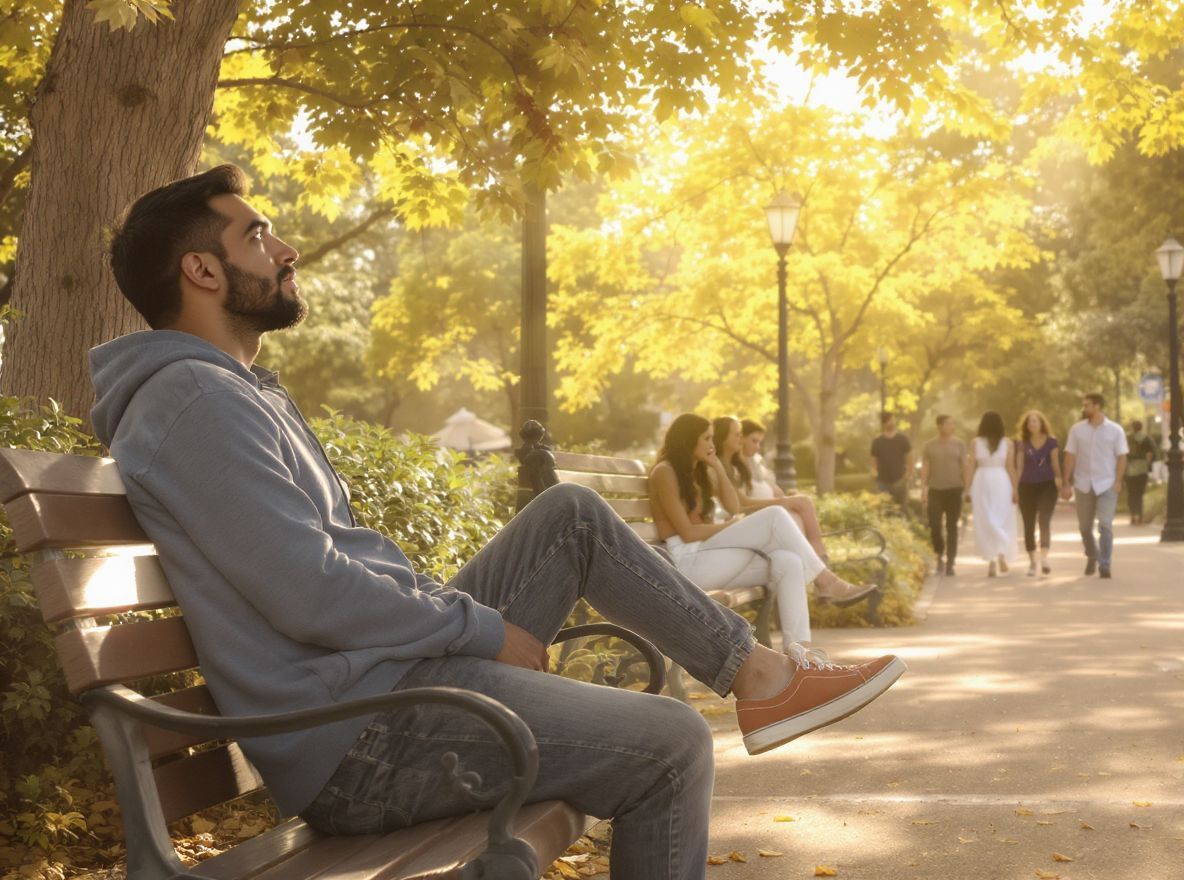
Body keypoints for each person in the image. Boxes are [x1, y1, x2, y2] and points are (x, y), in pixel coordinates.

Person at [89, 165, 905, 879]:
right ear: (200, 269)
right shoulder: (193, 402)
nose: (287, 249)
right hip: (356, 741)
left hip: (372, 691)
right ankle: (762, 682)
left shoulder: (229, 392)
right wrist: (476, 628)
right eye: (257, 235)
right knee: (671, 744)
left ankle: (759, 677)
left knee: (570, 518)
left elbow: (331, 575)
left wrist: (457, 626)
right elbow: (307, 592)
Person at [650, 415, 879, 651]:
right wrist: (731, 526)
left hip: (709, 555)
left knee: (789, 562)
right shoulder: (664, 472)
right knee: (775, 516)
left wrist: (717, 465)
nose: (712, 444)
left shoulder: (698, 471)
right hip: (688, 561)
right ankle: (826, 581)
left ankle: (801, 653)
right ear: (688, 440)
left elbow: (733, 507)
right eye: (706, 439)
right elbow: (687, 533)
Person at [713, 416, 828, 559]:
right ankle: (818, 560)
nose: (741, 439)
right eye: (737, 435)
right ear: (723, 437)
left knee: (798, 510)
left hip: (744, 521)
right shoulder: (718, 467)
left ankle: (817, 559)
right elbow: (741, 504)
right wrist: (783, 502)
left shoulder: (735, 465)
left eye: (742, 435)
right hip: (733, 526)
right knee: (794, 509)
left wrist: (784, 499)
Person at [1062, 394, 1128, 578]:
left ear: (1097, 406)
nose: (1084, 408)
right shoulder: (1077, 430)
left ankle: (1104, 564)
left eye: (1087, 405)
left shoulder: (1115, 430)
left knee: (1105, 525)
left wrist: (1118, 481)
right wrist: (1066, 482)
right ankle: (1092, 554)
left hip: (1107, 483)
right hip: (1083, 483)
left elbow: (1122, 457)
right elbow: (1070, 456)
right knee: (1084, 527)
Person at [965, 411, 1018, 577]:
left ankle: (992, 561)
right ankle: (1001, 553)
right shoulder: (1008, 443)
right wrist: (1015, 489)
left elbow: (970, 466)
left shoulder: (975, 442)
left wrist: (967, 488)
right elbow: (1011, 467)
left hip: (982, 480)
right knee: (1002, 518)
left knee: (985, 519)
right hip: (1001, 480)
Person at [1014, 410, 1062, 577]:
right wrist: (1015, 489)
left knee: (1044, 520)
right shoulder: (1021, 443)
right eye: (1030, 422)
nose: (1032, 424)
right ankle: (1032, 561)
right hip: (1026, 487)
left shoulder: (1051, 442)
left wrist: (1061, 480)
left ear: (1042, 423)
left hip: (1047, 486)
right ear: (1026, 426)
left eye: (1035, 421)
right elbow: (1019, 468)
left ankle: (1045, 558)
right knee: (1028, 524)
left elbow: (1055, 464)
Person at [918, 415, 967, 577]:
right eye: (948, 424)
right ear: (939, 426)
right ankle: (939, 554)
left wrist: (967, 489)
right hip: (935, 490)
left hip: (954, 489)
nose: (951, 426)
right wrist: (923, 488)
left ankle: (951, 562)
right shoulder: (929, 446)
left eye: (952, 423)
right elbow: (925, 467)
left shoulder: (959, 444)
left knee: (952, 526)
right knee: (935, 524)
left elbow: (964, 466)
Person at [871, 411, 913, 517]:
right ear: (884, 423)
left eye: (892, 420)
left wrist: (908, 475)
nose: (891, 423)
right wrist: (875, 473)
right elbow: (873, 460)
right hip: (882, 481)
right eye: (888, 421)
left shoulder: (902, 439)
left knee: (901, 510)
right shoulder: (877, 441)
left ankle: (903, 531)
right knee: (884, 510)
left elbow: (909, 458)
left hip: (900, 479)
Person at [1124, 420, 1156, 525]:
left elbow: (1123, 454)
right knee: (1139, 494)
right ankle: (1140, 516)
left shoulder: (1128, 438)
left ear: (1132, 428)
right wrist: (1147, 464)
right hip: (1142, 470)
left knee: (1131, 494)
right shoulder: (1147, 439)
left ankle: (1133, 515)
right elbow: (1151, 453)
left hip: (1130, 470)